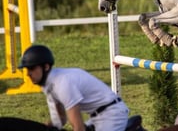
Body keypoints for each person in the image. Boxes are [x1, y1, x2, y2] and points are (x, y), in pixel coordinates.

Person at [0, 45, 129, 131]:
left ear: (46, 67)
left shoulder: (62, 84)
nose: (28, 73)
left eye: (32, 68)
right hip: (98, 116)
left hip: (113, 115)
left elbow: (78, 126)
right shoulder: (49, 85)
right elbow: (60, 120)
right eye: (27, 69)